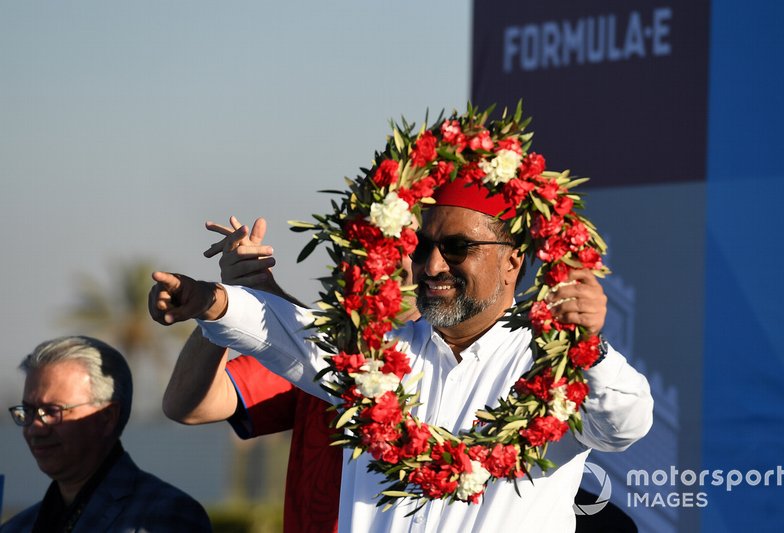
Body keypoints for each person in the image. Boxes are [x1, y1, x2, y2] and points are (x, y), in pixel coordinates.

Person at [148, 177, 653, 532]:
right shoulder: (375, 361)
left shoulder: (553, 363)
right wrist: (209, 300)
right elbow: (287, 334)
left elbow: (625, 424)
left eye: (457, 248)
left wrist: (588, 346)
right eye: (421, 247)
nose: (431, 265)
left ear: (512, 260)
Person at [162, 215, 420, 533]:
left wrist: (262, 294)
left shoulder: (471, 368)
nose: (400, 262)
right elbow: (186, 404)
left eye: (415, 245)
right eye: (381, 244)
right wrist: (232, 302)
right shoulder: (318, 354)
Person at [1, 336, 212, 533]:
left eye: (53, 411)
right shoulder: (18, 527)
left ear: (107, 417)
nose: (35, 428)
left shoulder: (163, 517)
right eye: (27, 411)